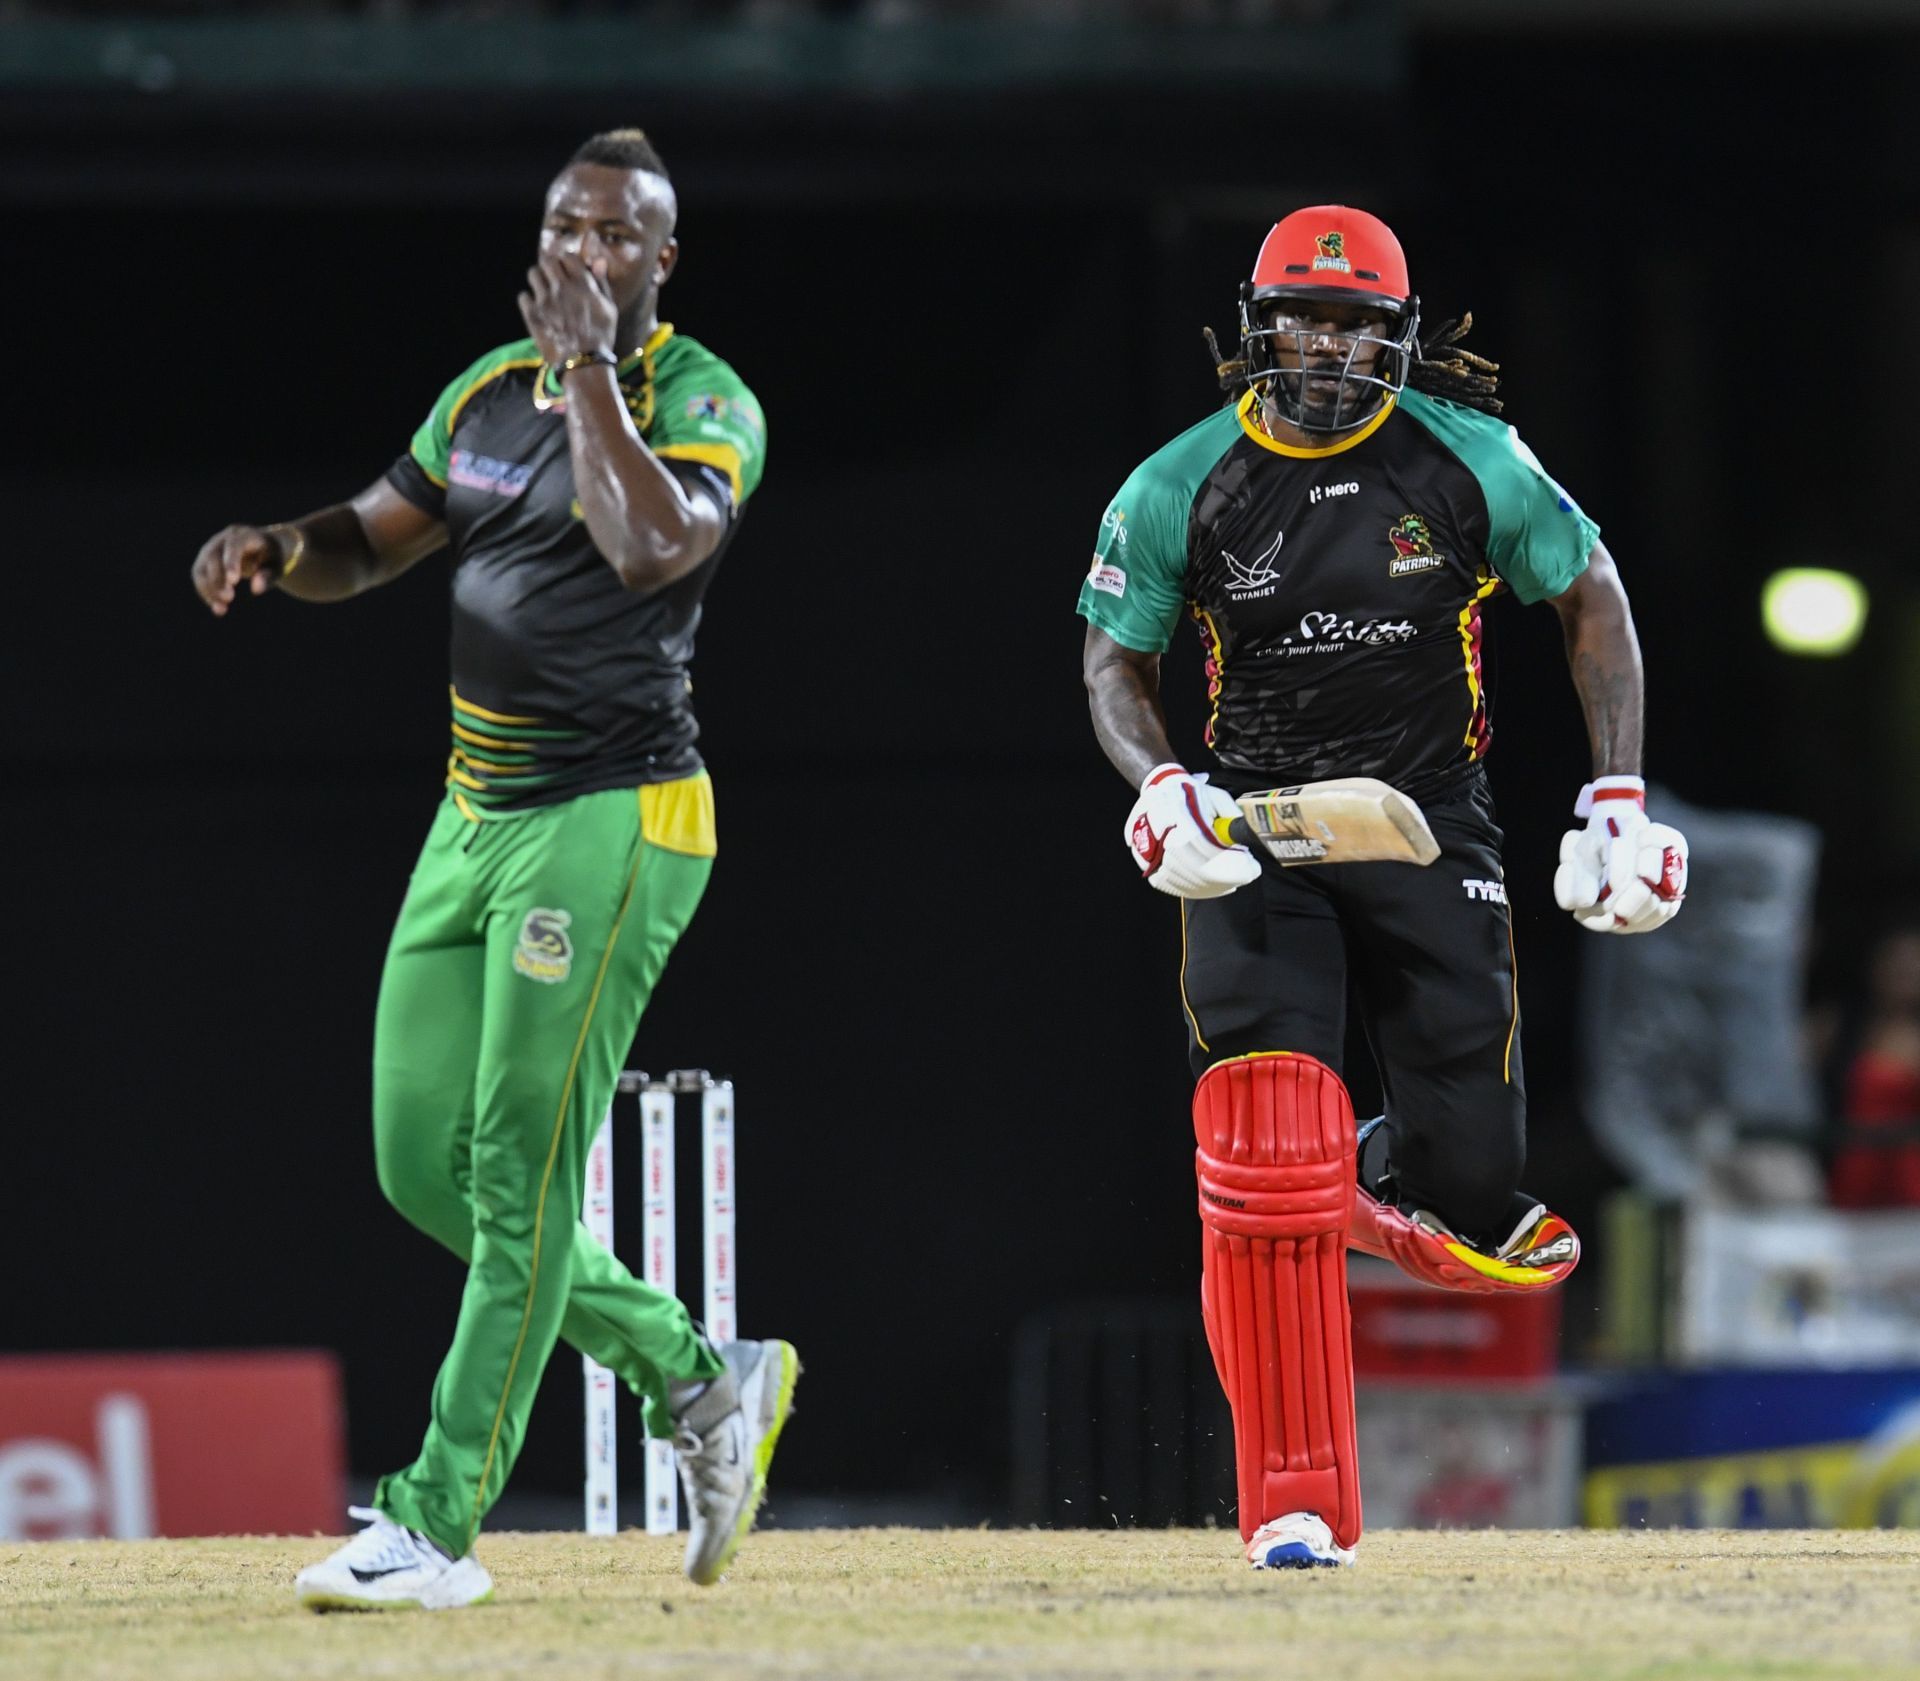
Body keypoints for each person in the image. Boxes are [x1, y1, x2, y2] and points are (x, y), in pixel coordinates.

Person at [190, 128, 797, 1609]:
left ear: (663, 260)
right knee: (423, 1166)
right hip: (472, 816)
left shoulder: (703, 400)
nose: (582, 255)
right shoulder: (483, 391)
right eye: (564, 228)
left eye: (615, 236)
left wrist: (592, 371)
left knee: (519, 1180)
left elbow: (651, 545)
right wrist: (283, 543)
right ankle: (697, 1370)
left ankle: (434, 1519)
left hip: (616, 821)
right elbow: (377, 537)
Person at [1076, 206, 1687, 1570]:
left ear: (1398, 341)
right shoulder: (1186, 481)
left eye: (1360, 325)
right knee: (1262, 1130)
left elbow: (1591, 594)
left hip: (1429, 828)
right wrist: (1164, 789)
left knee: (1479, 1182)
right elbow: (1114, 661)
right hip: (1256, 832)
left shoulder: (1468, 462)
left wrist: (1618, 794)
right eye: (1308, 315)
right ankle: (1294, 1502)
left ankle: (1347, 1179)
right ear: (1261, 322)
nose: (1332, 345)